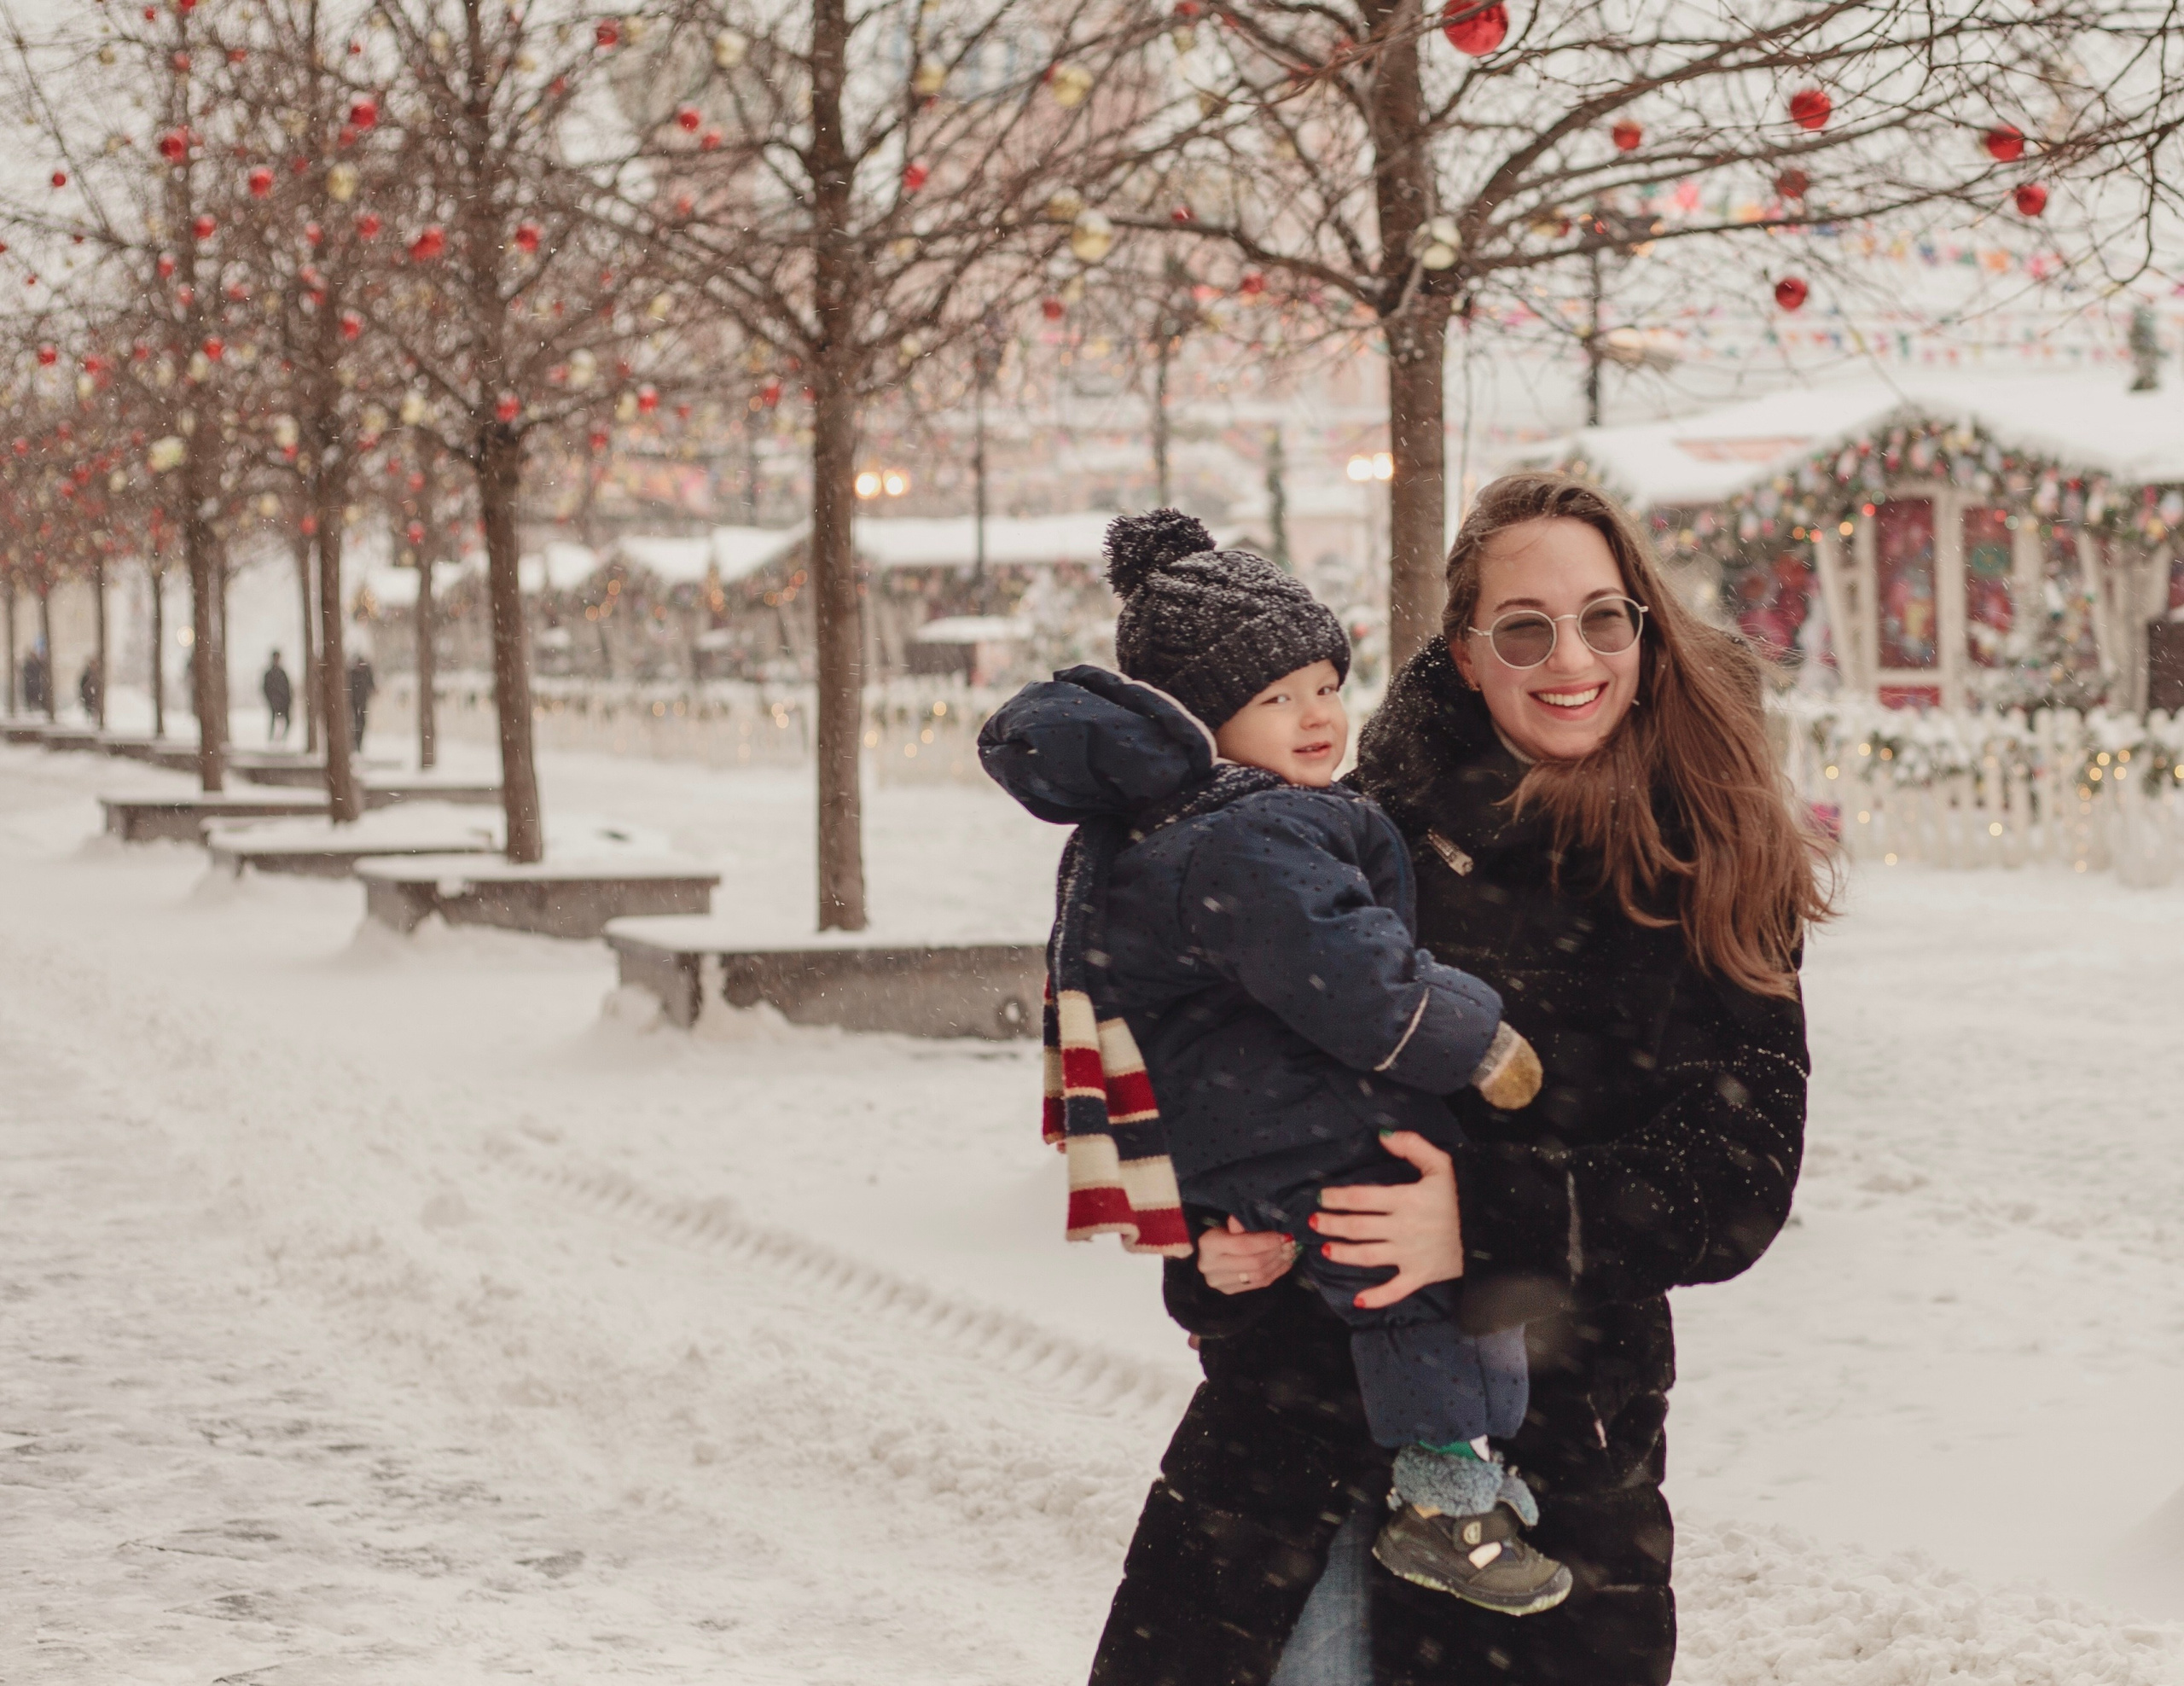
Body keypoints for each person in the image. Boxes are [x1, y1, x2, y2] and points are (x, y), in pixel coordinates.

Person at [1091, 472, 1827, 1686]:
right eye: (1524, 628)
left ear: (1643, 631)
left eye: (1603, 618)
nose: (1568, 658)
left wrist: (1480, 1222)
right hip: (1286, 1458)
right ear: (1467, 653)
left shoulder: (1712, 858)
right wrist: (1211, 1250)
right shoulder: (1349, 830)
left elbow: (1738, 1176)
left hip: (1543, 1488)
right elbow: (1213, 1082)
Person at [981, 511, 1571, 1619]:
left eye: (1324, 685)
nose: (1316, 718)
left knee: (1404, 1263)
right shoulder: (1251, 838)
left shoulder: (1168, 828)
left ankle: (1461, 1468)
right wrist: (1475, 1036)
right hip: (1281, 1115)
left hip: (1229, 1120)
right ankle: (1447, 1492)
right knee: (1402, 1262)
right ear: (1205, 724)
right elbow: (1360, 986)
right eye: (1276, 699)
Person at [346, 649, 375, 751]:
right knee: (355, 722)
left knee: (360, 722)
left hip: (361, 701)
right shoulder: (352, 671)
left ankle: (358, 743)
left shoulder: (365, 671)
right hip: (354, 701)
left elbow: (371, 685)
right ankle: (355, 743)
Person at [263, 649, 293, 741]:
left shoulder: (282, 673)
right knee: (273, 720)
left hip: (284, 701)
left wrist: (288, 700)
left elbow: (287, 688)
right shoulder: (269, 674)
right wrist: (271, 699)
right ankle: (272, 740)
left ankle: (281, 739)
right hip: (274, 701)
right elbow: (265, 688)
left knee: (287, 721)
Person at [77, 655, 102, 724]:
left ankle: (93, 722)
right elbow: (82, 685)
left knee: (94, 710)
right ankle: (89, 722)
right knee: (89, 710)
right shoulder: (87, 674)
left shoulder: (97, 674)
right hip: (88, 696)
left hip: (93, 697)